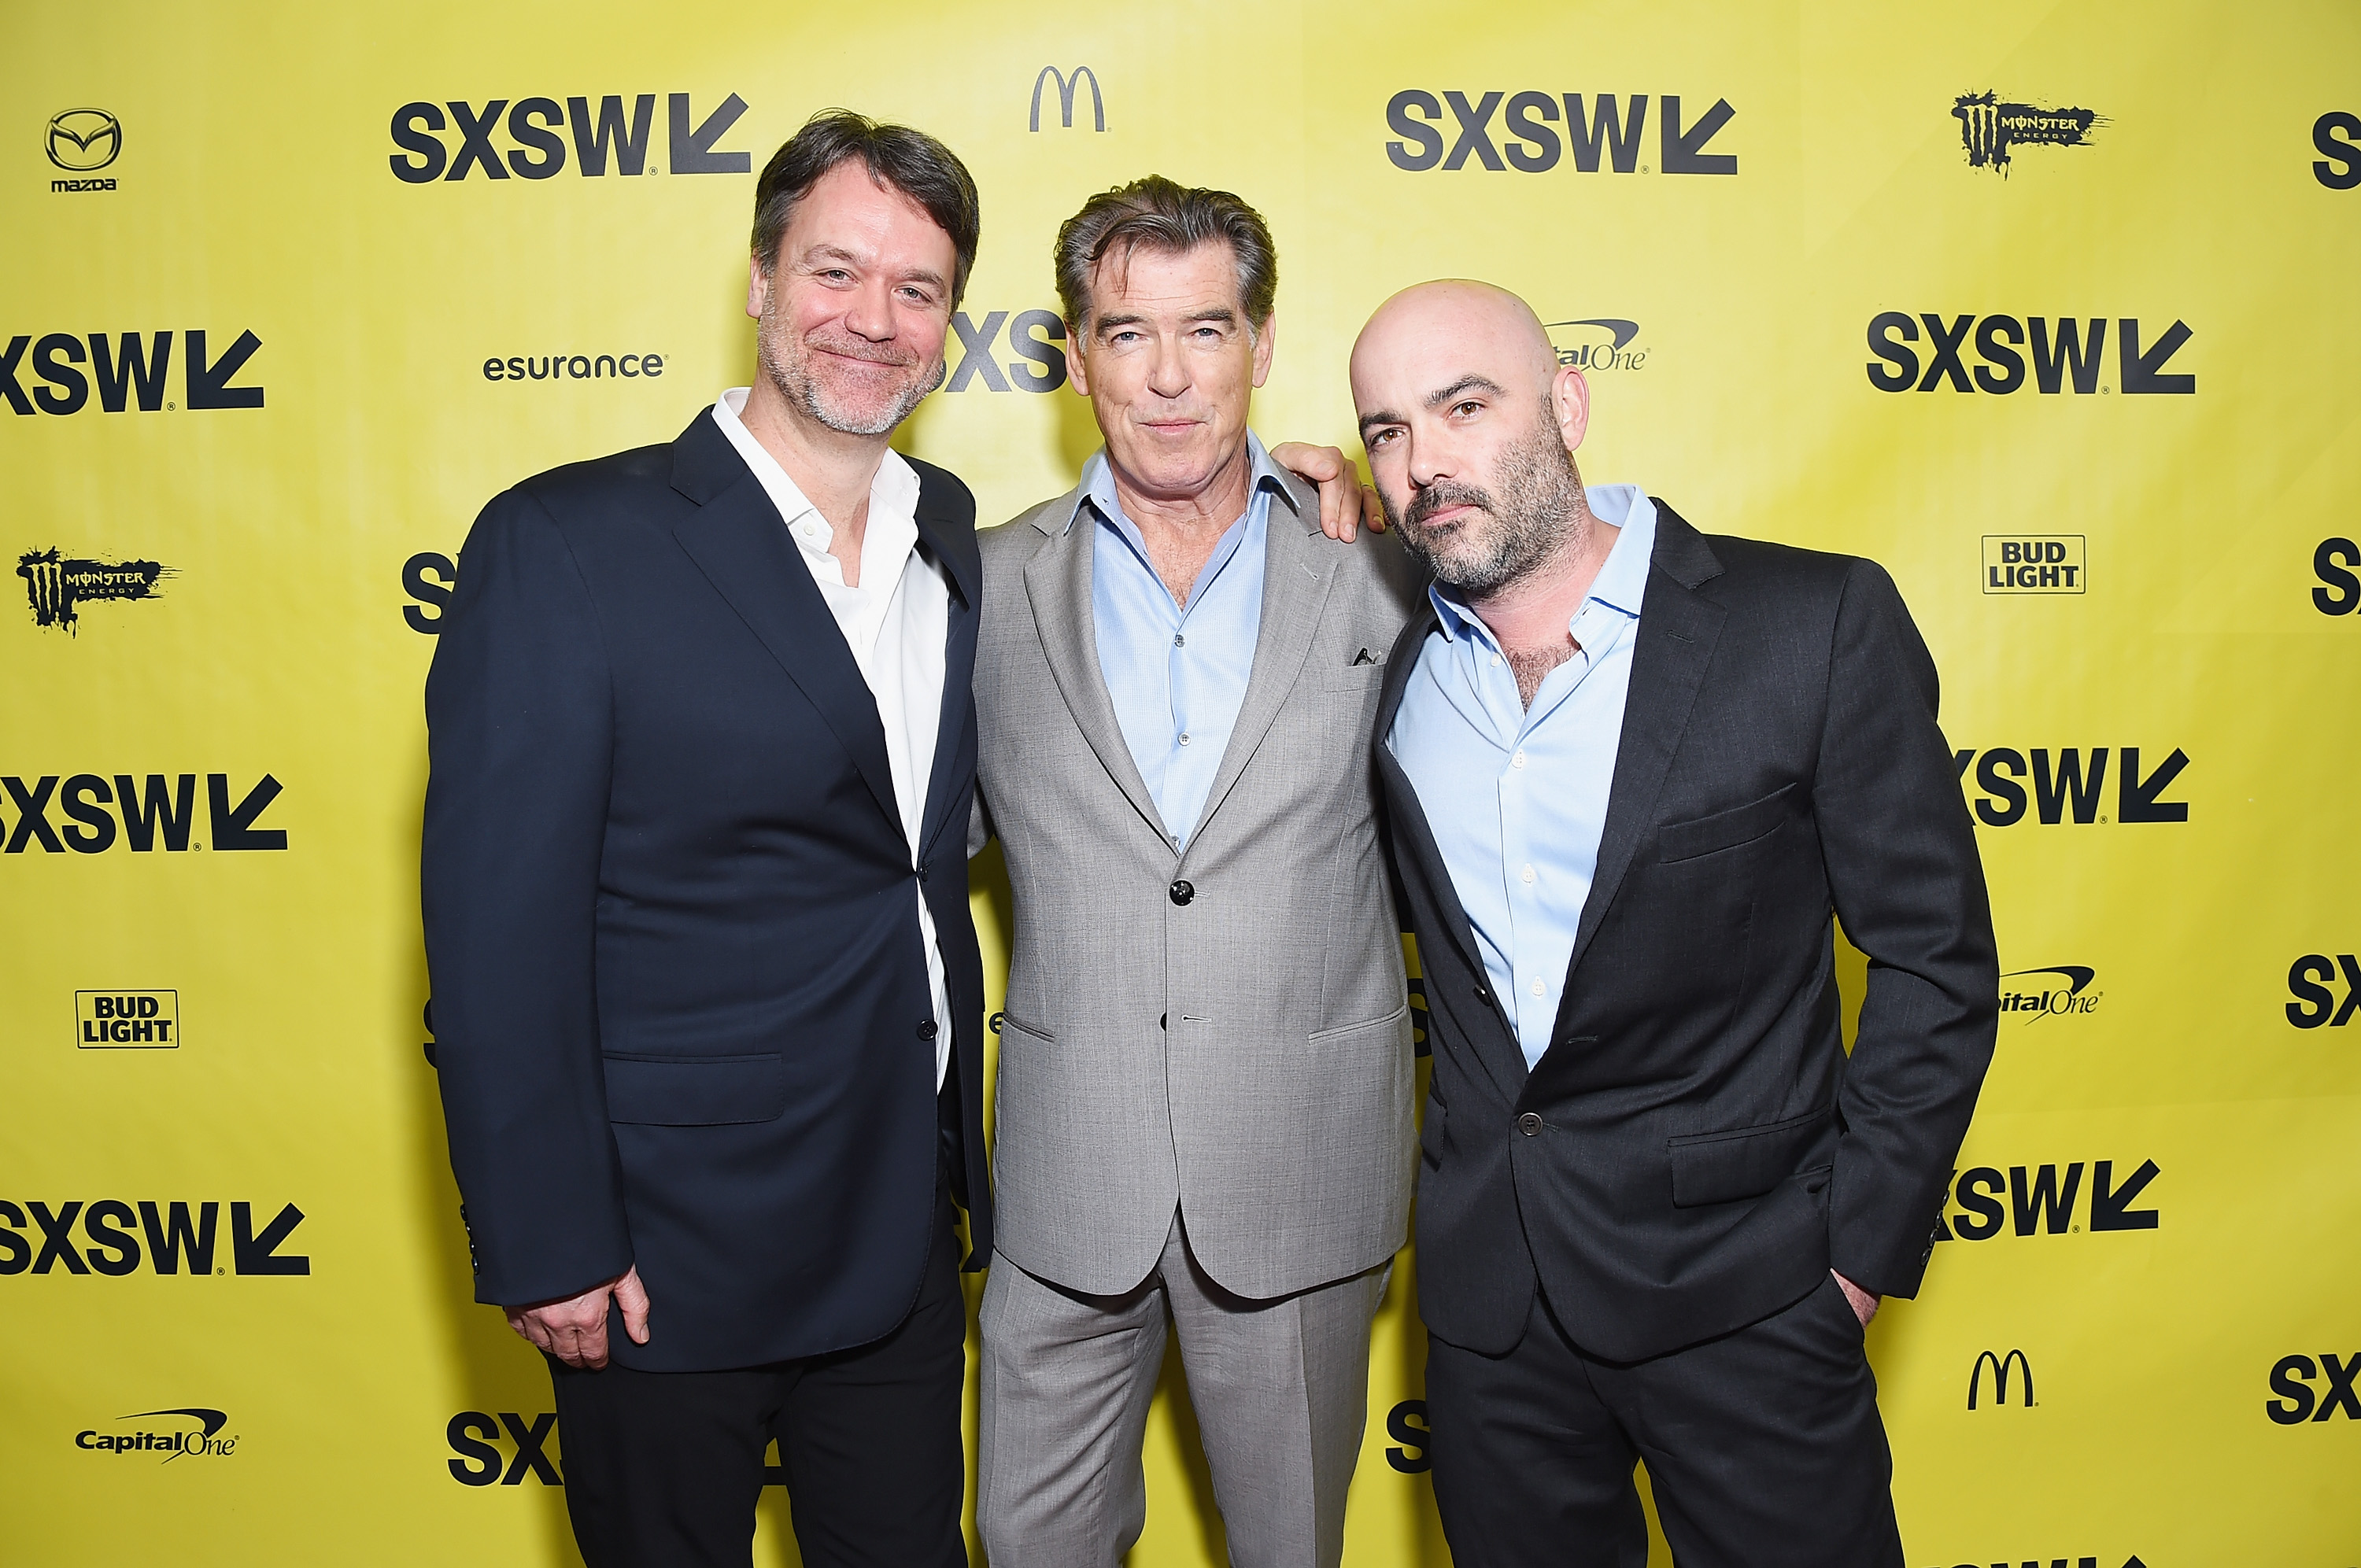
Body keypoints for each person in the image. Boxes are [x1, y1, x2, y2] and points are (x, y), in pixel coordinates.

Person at [1350, 280, 1998, 1567]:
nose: (1425, 463)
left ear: (1568, 404)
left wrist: (1851, 1261)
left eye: (1463, 406)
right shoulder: (1398, 669)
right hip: (1495, 1325)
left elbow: (1937, 957)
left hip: (1749, 1299)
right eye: (1384, 431)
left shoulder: (1805, 625)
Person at [422, 111, 992, 1567]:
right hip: (664, 1252)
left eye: (917, 288)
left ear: (952, 323)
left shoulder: (955, 534)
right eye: (835, 270)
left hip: (905, 1232)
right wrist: (550, 1235)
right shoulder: (566, 544)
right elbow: (499, 937)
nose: (874, 320)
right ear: (759, 279)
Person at [969, 177, 1424, 1568]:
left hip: (1299, 1168)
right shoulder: (978, 584)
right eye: (1125, 333)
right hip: (1062, 1176)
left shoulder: (1394, 573)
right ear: (1073, 352)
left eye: (1206, 330)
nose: (1169, 379)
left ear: (1263, 344)